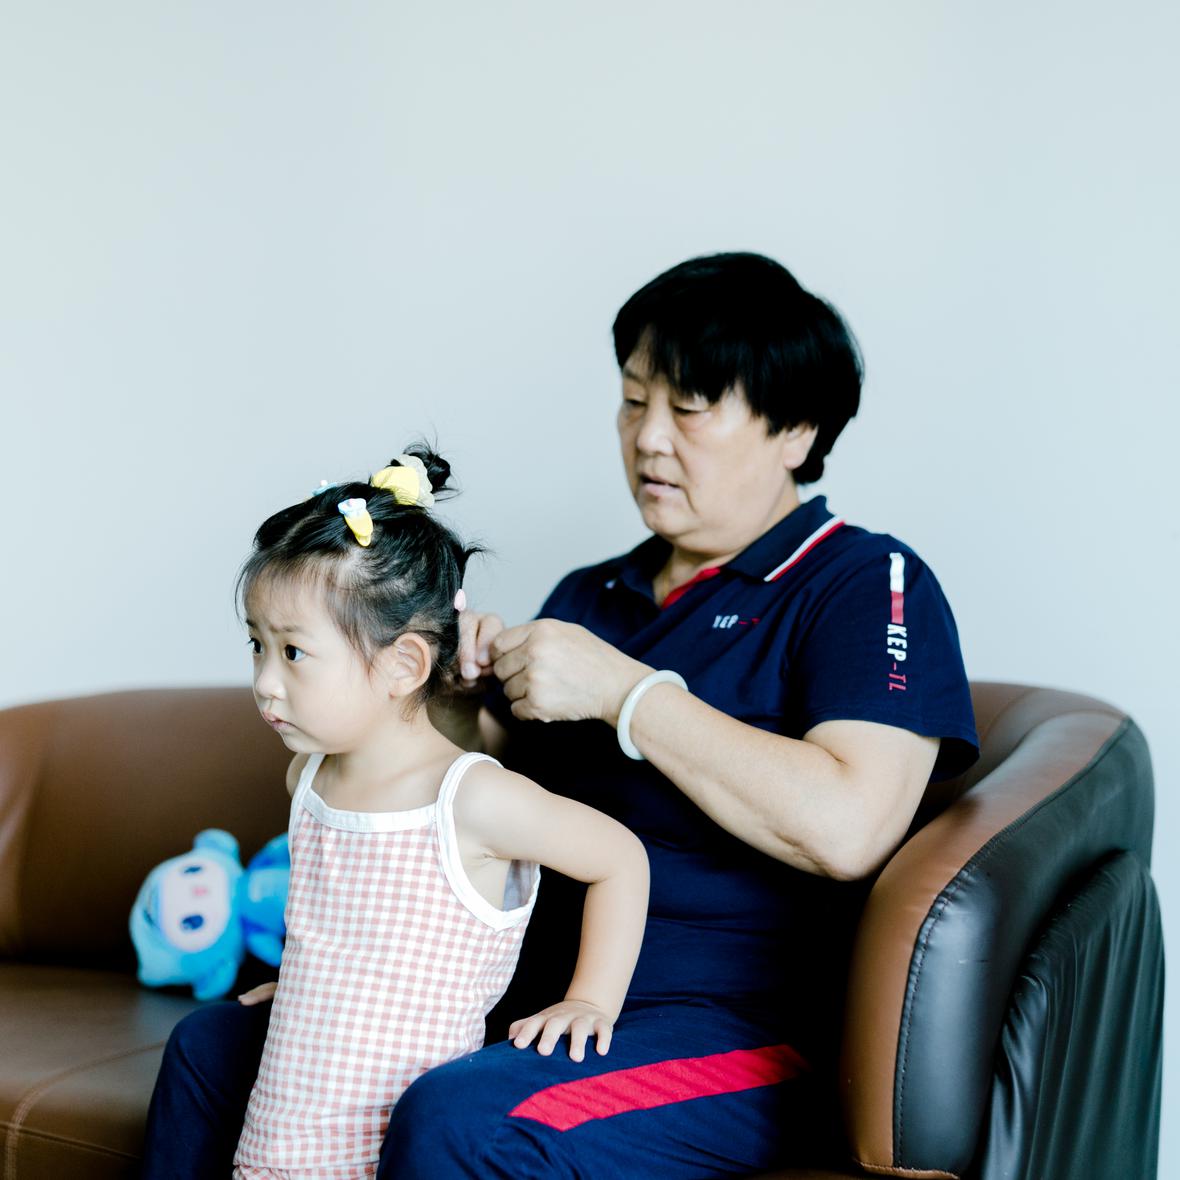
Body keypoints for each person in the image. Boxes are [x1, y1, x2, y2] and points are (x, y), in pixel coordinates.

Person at [141, 253, 978, 1179]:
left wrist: (627, 693)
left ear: (797, 429)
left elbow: (850, 827)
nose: (648, 438)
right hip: (524, 989)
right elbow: (480, 798)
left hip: (729, 1028)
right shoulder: (593, 594)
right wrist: (456, 706)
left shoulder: (861, 581)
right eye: (633, 401)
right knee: (214, 1051)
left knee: (464, 1124)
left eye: (689, 408)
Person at [158, 446, 649, 1180]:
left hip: (388, 1139)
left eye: (294, 653)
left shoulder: (471, 797)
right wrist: (310, 983)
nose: (264, 682)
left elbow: (620, 858)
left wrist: (590, 999)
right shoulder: (308, 780)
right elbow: (344, 923)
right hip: (286, 1130)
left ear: (405, 665)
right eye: (258, 645)